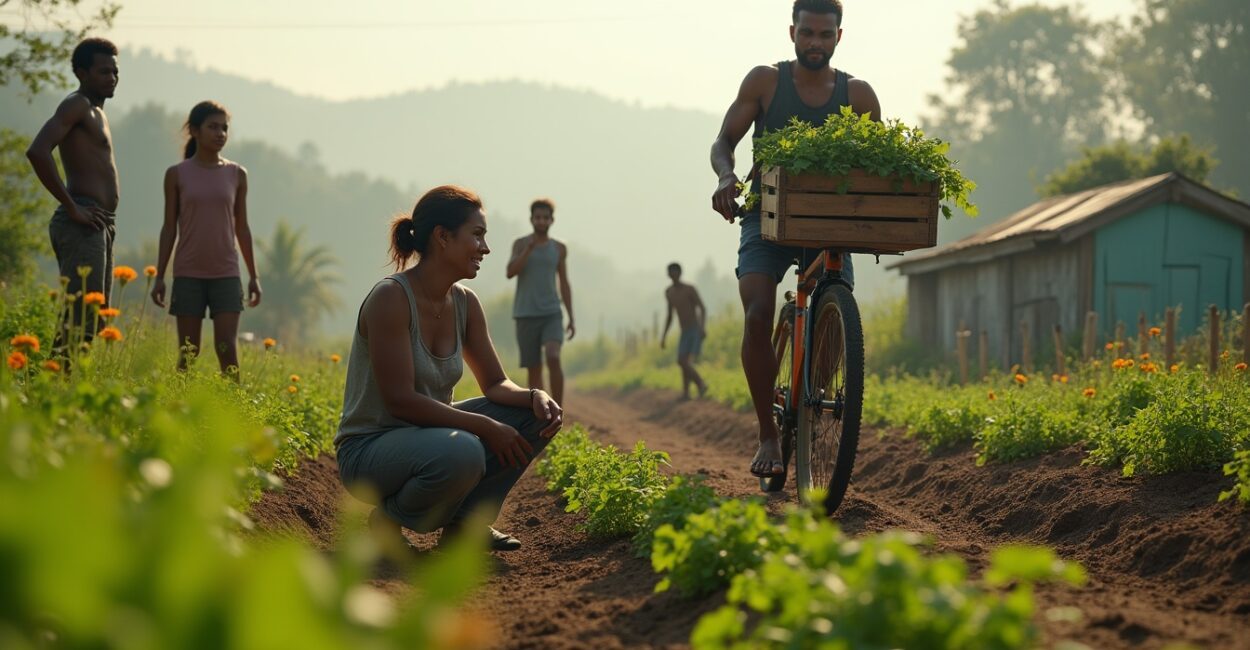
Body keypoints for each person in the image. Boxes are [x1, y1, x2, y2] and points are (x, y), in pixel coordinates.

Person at [336, 185, 563, 553]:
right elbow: (400, 401)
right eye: (477, 235)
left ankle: (464, 524)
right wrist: (486, 427)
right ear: (443, 237)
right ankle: (388, 520)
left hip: (431, 437)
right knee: (465, 451)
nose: (485, 248)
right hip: (370, 451)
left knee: (534, 416)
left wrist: (535, 396)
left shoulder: (465, 303)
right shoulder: (391, 298)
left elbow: (495, 383)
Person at [709, 0, 880, 478]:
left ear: (838, 37)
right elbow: (724, 141)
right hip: (766, 216)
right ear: (792, 33)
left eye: (825, 35)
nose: (815, 43)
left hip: (828, 224)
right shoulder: (765, 81)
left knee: (835, 318)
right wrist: (726, 177)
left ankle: (809, 402)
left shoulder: (858, 95)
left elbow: (875, 162)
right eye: (807, 33)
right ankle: (768, 432)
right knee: (757, 314)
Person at [150, 101, 262, 377]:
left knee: (227, 349)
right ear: (194, 130)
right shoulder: (176, 175)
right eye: (213, 127)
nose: (220, 133)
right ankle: (179, 403)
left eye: (224, 128)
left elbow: (242, 228)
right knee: (189, 352)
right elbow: (168, 229)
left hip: (226, 273)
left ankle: (234, 404)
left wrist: (253, 276)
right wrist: (160, 276)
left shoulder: (237, 174)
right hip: (188, 273)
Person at [25, 38, 120, 354]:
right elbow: (38, 151)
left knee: (93, 321)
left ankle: (67, 381)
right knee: (78, 320)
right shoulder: (76, 104)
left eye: (115, 72)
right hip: (82, 221)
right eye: (103, 71)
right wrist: (72, 206)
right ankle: (51, 380)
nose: (112, 78)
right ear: (82, 73)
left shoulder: (98, 112)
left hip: (101, 223)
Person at [506, 198, 575, 405]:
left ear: (552, 220)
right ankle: (542, 413)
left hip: (551, 313)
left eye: (545, 218)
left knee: (553, 356)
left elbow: (564, 282)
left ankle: (558, 411)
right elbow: (510, 272)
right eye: (538, 217)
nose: (542, 221)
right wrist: (528, 250)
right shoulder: (520, 244)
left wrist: (571, 317)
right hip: (525, 314)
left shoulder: (559, 248)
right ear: (531, 219)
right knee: (534, 369)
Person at [660, 263, 708, 400]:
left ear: (680, 273)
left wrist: (702, 327)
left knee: (683, 361)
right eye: (671, 272)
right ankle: (686, 393)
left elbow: (702, 308)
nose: (673, 275)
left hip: (694, 328)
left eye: (675, 272)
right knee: (683, 362)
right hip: (684, 330)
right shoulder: (669, 292)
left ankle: (701, 384)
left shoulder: (689, 289)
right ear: (668, 274)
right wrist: (664, 336)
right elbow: (670, 315)